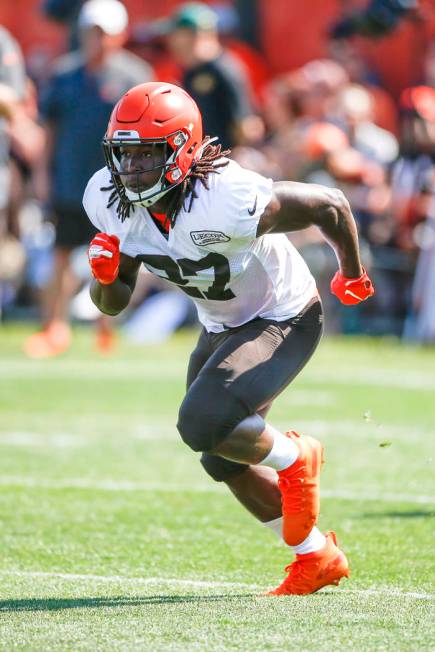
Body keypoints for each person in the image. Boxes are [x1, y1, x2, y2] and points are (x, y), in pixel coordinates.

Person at [84, 82, 374, 595]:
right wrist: (105, 277)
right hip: (220, 322)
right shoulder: (111, 202)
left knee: (202, 423)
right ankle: (316, 556)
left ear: (180, 151)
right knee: (220, 454)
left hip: (283, 314)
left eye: (146, 156)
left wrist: (350, 272)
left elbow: (329, 204)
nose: (131, 170)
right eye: (123, 155)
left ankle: (293, 456)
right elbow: (113, 302)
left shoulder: (228, 198)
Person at [24, 0, 154, 357]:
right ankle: (55, 327)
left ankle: (105, 328)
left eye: (102, 32)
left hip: (118, 187)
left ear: (119, 34)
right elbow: (48, 130)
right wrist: (41, 175)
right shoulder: (64, 74)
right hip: (69, 180)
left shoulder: (135, 75)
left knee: (117, 257)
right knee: (61, 256)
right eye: (90, 31)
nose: (95, 39)